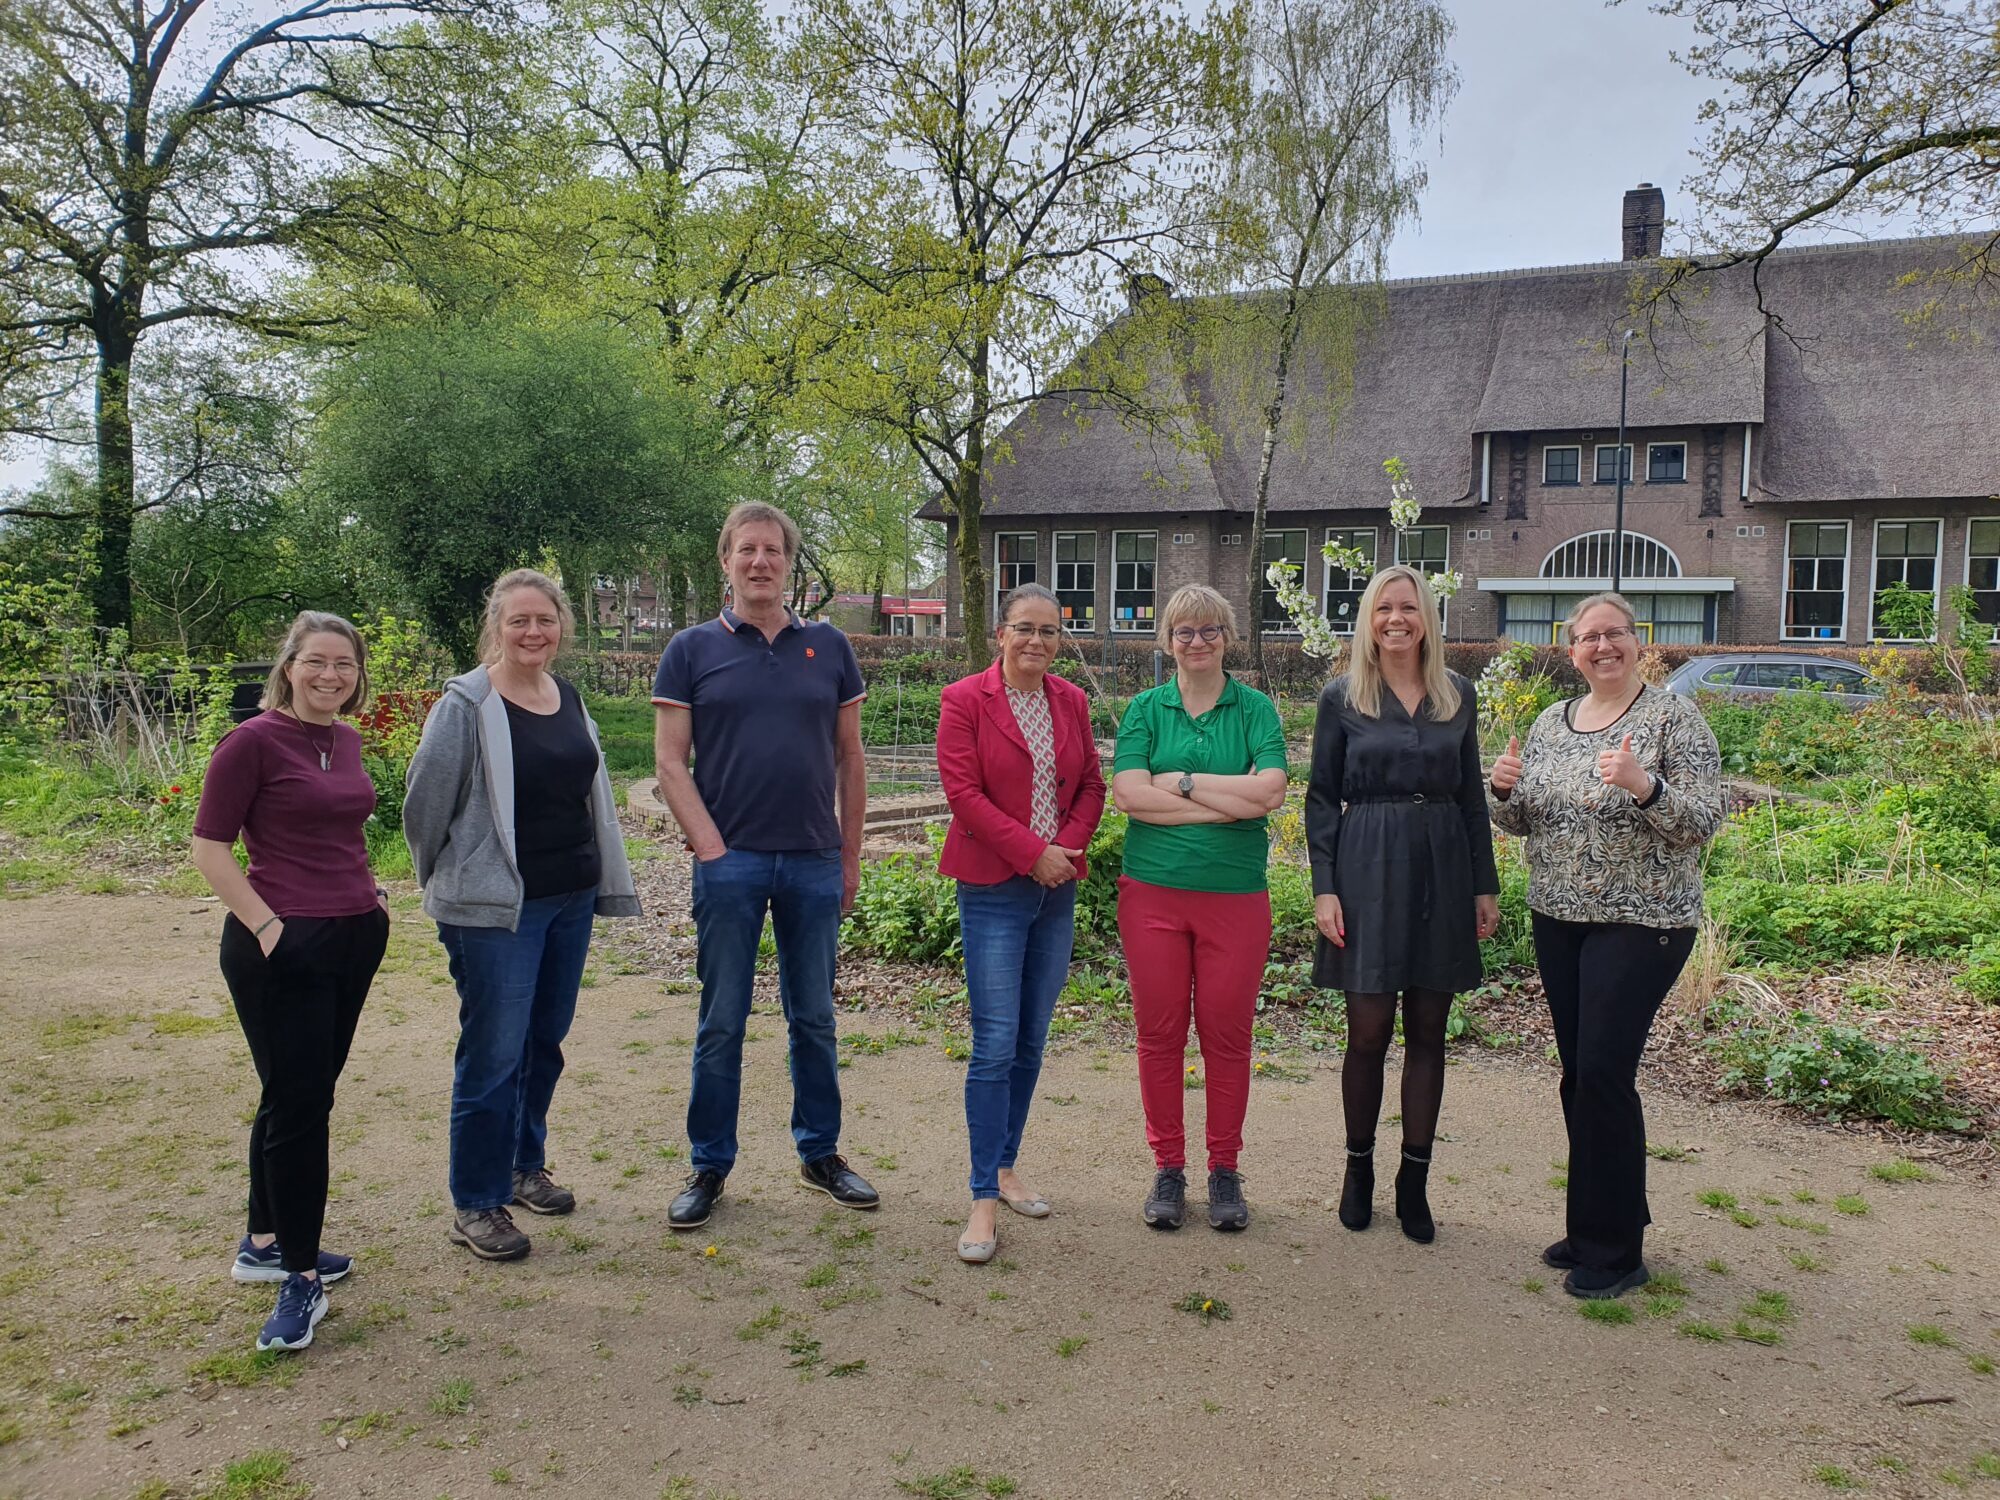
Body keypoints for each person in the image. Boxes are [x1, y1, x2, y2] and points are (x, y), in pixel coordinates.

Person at [1488, 591, 1723, 1298]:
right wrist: (1503, 793)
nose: (1602, 646)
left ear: (1636, 640)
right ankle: (1595, 1223)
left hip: (1645, 922)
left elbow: (1705, 819)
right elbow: (1528, 821)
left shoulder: (1673, 720)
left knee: (1602, 1073)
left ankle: (1619, 1252)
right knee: (1579, 1075)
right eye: (1588, 637)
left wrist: (1646, 787)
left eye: (1614, 633)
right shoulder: (1552, 724)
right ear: (1572, 651)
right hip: (1558, 917)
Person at [404, 569, 641, 1262]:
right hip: (494, 915)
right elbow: (424, 808)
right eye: (519, 622)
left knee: (542, 1043)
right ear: (496, 627)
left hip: (569, 900)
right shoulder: (466, 705)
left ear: (561, 626)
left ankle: (521, 1164)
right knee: (493, 1055)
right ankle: (475, 1202)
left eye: (544, 620)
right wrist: (454, 882)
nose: (533, 632)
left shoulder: (565, 696)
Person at [653, 501, 877, 1231]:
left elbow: (850, 756)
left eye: (772, 550)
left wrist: (848, 856)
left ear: (789, 562)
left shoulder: (831, 648)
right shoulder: (690, 650)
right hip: (734, 863)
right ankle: (709, 1164)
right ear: (727, 561)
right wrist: (711, 850)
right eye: (746, 550)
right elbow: (668, 761)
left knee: (813, 1017)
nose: (759, 562)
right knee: (722, 1021)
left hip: (813, 860)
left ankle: (820, 1153)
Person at [191, 612, 390, 1352]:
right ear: (290, 666)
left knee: (296, 1094)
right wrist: (271, 928)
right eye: (316, 662)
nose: (330, 676)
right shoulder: (250, 743)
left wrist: (367, 898)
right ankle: (299, 1279)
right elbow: (210, 851)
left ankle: (265, 1241)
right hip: (282, 943)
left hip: (352, 933)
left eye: (344, 664)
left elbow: (340, 830)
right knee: (302, 1107)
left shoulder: (346, 739)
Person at [1306, 565, 1500, 1244]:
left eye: (1409, 608)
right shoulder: (1341, 698)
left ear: (1427, 620)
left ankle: (1412, 1180)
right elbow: (1323, 798)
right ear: (1368, 618)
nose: (1396, 619)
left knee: (1427, 1030)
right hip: (1365, 865)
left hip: (1444, 867)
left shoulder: (1458, 695)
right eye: (1384, 608)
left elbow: (1473, 798)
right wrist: (1324, 887)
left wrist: (1485, 884)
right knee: (1367, 1031)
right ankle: (1358, 1169)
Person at [936, 583, 1107, 1263]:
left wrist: (1064, 849)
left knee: (1032, 1038)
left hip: (1055, 889)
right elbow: (963, 794)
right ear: (999, 635)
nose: (1037, 640)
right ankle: (981, 1199)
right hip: (993, 889)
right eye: (1024, 628)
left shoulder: (1070, 701)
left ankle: (1007, 1170)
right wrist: (1031, 853)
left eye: (1049, 630)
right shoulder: (964, 701)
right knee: (995, 1043)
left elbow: (1092, 782)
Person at [1111, 584, 1288, 1232]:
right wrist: (1224, 803)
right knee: (1159, 1035)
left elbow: (1270, 790)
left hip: (1235, 898)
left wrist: (1180, 784)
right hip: (1153, 894)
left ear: (1227, 636)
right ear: (1167, 640)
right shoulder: (1146, 710)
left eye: (1210, 629)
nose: (1197, 641)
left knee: (1226, 1036)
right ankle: (1168, 1167)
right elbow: (1128, 793)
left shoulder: (1254, 709)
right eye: (1184, 631)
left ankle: (1223, 1170)